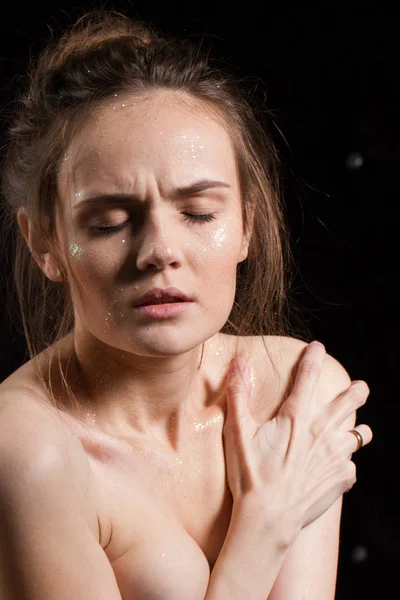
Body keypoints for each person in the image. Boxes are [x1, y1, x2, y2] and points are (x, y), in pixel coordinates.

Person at [0, 9, 372, 600]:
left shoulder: (297, 391)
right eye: (109, 222)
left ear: (247, 225)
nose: (160, 252)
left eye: (199, 212)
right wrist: (265, 528)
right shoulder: (28, 447)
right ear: (44, 242)